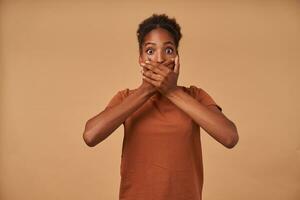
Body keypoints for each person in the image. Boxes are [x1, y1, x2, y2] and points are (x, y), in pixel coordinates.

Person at [83, 13, 239, 200]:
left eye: (169, 50)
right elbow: (91, 136)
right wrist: (146, 91)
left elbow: (229, 137)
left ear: (177, 58)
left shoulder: (195, 96)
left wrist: (172, 92)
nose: (159, 58)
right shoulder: (125, 98)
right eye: (150, 51)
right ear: (140, 58)